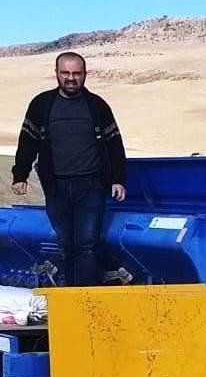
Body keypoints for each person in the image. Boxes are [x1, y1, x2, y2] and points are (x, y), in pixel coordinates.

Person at [10, 51, 127, 286]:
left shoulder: (97, 106)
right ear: (56, 73)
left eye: (76, 73)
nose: (71, 78)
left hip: (91, 186)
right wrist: (20, 174)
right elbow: (28, 141)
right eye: (65, 73)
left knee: (87, 244)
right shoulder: (41, 105)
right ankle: (71, 293)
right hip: (56, 187)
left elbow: (114, 143)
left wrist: (118, 179)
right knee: (66, 244)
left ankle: (85, 297)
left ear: (85, 74)